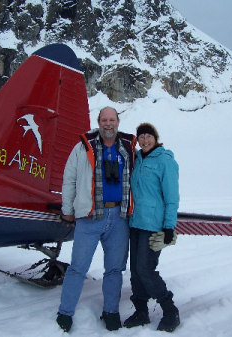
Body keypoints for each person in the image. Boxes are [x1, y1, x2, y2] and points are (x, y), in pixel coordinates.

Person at [56, 107, 137, 332]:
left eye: (112, 119)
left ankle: (110, 312)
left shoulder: (128, 148)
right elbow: (69, 179)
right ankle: (65, 312)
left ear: (118, 122)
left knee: (114, 269)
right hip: (90, 217)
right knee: (77, 268)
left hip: (119, 217)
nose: (108, 123)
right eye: (104, 120)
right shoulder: (83, 147)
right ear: (98, 122)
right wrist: (67, 209)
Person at [124, 122, 180, 333]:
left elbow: (172, 197)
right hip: (135, 223)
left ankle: (170, 309)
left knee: (145, 270)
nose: (144, 140)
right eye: (141, 137)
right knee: (135, 272)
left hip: (153, 225)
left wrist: (168, 227)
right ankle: (141, 312)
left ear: (156, 138)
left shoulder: (165, 161)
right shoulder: (137, 159)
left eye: (148, 136)